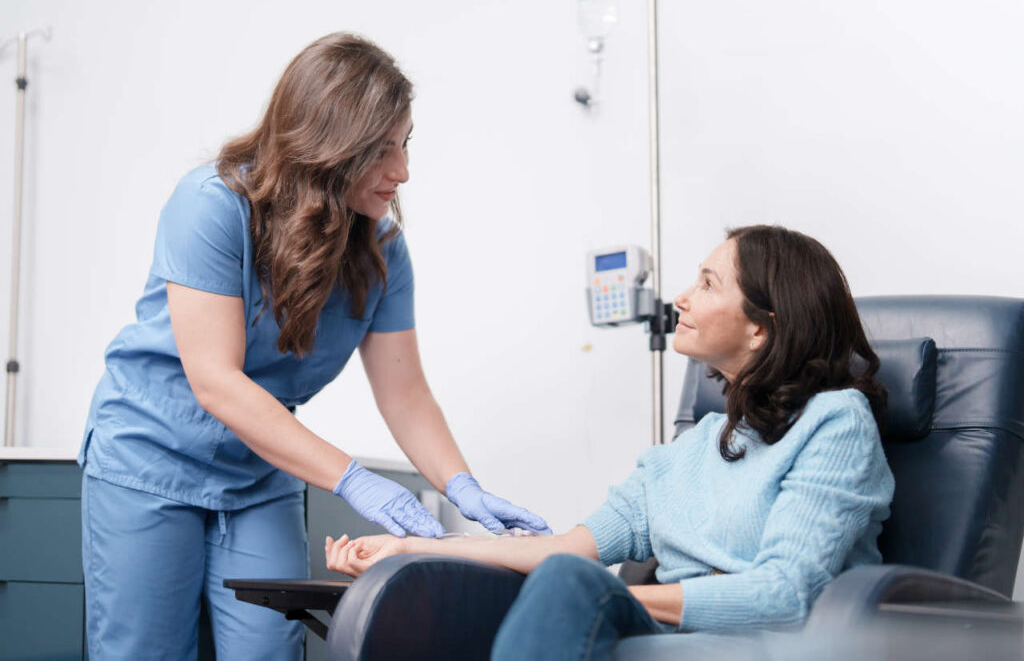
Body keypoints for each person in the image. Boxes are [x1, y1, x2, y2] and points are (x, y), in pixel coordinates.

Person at [77, 32, 548, 660]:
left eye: (404, 145)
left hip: (256, 475)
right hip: (149, 462)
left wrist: (460, 483)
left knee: (269, 649)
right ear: (330, 146)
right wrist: (353, 479)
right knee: (144, 652)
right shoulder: (211, 207)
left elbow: (405, 393)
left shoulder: (381, 250)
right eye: (382, 152)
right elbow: (215, 381)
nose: (402, 171)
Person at [325, 225, 896, 660]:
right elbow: (562, 549)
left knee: (568, 586)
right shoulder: (688, 452)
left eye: (707, 283)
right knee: (521, 589)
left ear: (761, 328)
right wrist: (412, 549)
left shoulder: (835, 423)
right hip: (666, 642)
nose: (681, 298)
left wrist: (616, 602)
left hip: (771, 646)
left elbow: (785, 594)